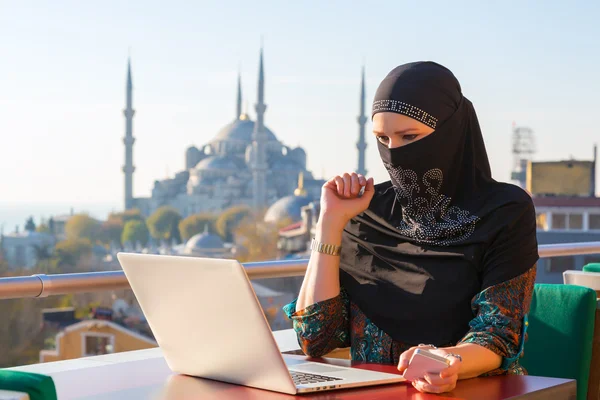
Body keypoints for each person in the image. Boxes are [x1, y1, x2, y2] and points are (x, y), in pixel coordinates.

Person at [283, 62, 538, 394]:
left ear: (451, 131)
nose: (394, 152)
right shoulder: (364, 212)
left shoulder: (504, 211)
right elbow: (315, 337)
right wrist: (329, 223)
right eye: (382, 138)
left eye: (410, 136)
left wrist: (447, 362)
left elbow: (498, 335)